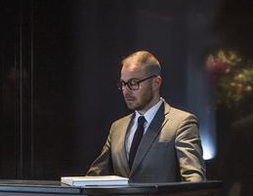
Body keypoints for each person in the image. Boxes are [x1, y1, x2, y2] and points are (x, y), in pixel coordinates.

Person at [87, 50, 205, 182]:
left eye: (134, 83)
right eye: (123, 84)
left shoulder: (181, 123)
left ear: (156, 82)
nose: (126, 91)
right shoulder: (117, 127)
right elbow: (94, 177)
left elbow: (194, 181)